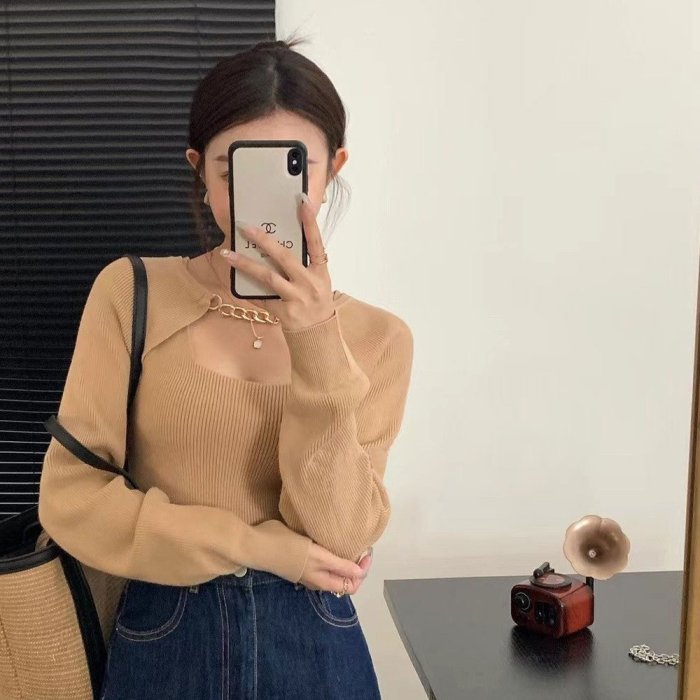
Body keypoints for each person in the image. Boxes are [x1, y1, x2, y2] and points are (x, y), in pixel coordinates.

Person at [38, 35, 413, 700]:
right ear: (199, 171)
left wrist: (315, 338)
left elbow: (342, 534)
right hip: (165, 629)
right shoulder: (131, 293)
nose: (257, 202)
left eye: (293, 170)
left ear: (332, 169)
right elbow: (71, 500)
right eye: (233, 172)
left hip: (316, 639)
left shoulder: (379, 337)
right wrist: (256, 546)